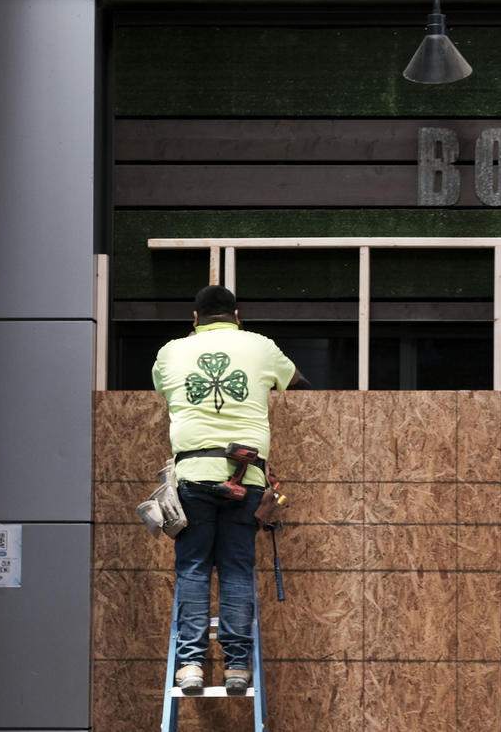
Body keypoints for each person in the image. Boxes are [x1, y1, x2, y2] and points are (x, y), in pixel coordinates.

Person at [152, 285, 300, 694]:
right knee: (237, 570)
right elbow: (291, 379)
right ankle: (237, 667)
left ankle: (191, 666)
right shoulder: (260, 345)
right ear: (237, 315)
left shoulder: (170, 351)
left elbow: (164, 389)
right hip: (246, 475)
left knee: (194, 569)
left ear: (195, 320)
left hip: (193, 476)